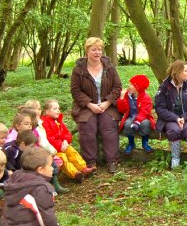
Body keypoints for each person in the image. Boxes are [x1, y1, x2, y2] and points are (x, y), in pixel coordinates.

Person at [71, 37, 122, 174]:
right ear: (87, 51)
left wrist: (107, 102)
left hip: (107, 106)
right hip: (86, 107)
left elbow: (117, 87)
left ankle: (112, 161)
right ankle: (90, 162)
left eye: (99, 49)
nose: (97, 52)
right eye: (93, 50)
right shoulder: (78, 70)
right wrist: (89, 104)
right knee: (87, 127)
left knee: (109, 126)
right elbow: (75, 91)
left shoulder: (109, 67)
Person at [154, 60, 187, 168]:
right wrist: (176, 118)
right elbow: (159, 108)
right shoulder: (164, 87)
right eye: (185, 71)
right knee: (174, 130)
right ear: (177, 73)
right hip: (170, 119)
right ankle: (175, 159)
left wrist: (184, 117)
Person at [41, 99, 92, 182]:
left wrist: (66, 141)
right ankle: (75, 173)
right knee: (63, 158)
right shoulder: (45, 123)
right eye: (54, 109)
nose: (58, 111)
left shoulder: (58, 121)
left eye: (58, 108)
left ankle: (83, 168)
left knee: (72, 152)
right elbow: (49, 139)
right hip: (53, 150)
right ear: (47, 111)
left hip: (63, 145)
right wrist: (60, 146)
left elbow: (67, 133)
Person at [116, 74, 156, 154]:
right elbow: (122, 110)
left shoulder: (146, 98)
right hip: (131, 116)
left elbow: (145, 112)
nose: (129, 86)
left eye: (132, 85)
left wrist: (137, 122)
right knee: (127, 124)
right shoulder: (127, 96)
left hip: (143, 117)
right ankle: (131, 143)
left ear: (138, 88)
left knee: (145, 124)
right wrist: (122, 98)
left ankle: (145, 143)